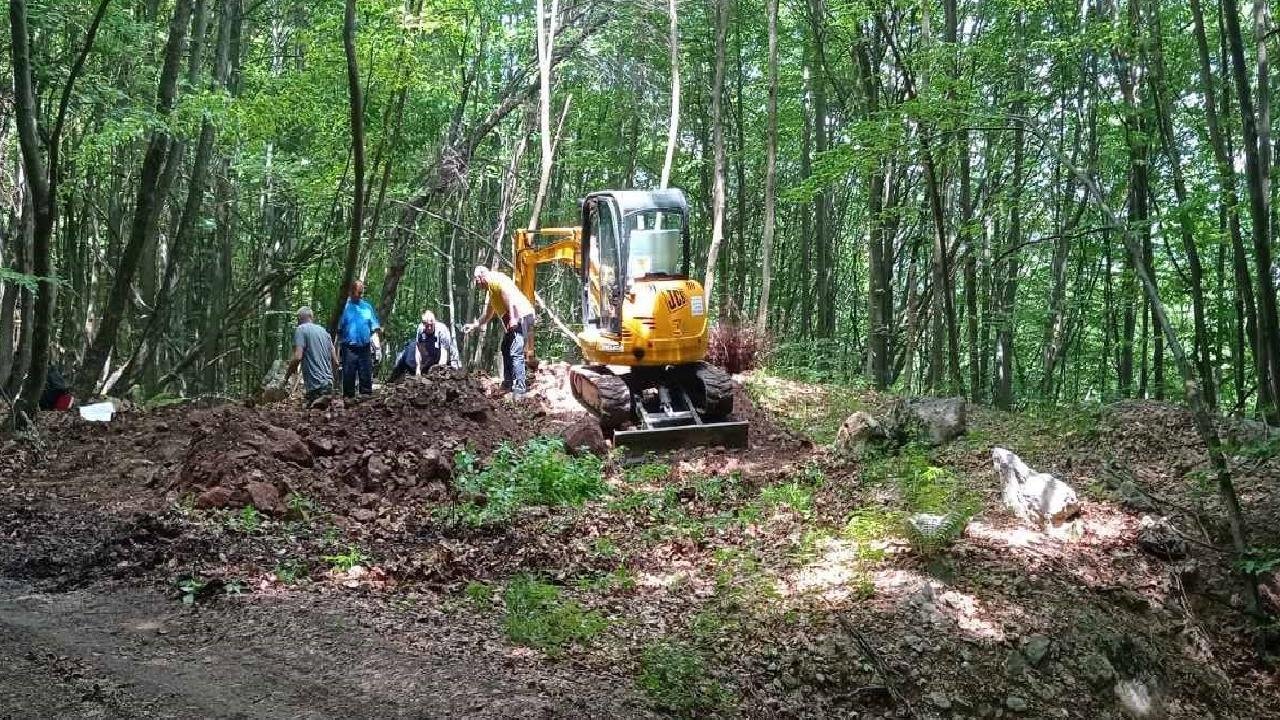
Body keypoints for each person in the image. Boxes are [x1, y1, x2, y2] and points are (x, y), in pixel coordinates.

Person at [462, 265, 536, 399]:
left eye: (476, 280)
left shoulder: (495, 280)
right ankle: (507, 384)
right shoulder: (492, 290)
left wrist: (513, 318)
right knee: (506, 347)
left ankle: (520, 389)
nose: (477, 284)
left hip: (522, 316)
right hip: (516, 318)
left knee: (515, 350)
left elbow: (511, 298)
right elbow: (488, 314)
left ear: (481, 276)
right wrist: (474, 325)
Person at [283, 306, 340, 403]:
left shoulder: (301, 330)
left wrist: (286, 378)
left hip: (315, 387)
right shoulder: (324, 332)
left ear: (299, 319)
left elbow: (297, 357)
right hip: (328, 386)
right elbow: (335, 362)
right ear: (311, 317)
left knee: (311, 413)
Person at [336, 280, 383, 397]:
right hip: (349, 347)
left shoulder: (367, 307)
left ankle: (366, 400)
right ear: (351, 292)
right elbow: (338, 328)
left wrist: (379, 331)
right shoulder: (344, 307)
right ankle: (348, 400)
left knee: (366, 374)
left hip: (365, 346)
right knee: (348, 375)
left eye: (362, 293)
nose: (360, 295)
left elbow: (374, 325)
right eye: (358, 293)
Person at [388, 310, 460, 382]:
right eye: (426, 325)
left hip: (441, 357)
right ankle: (390, 381)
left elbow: (444, 353)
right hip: (422, 356)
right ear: (423, 324)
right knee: (402, 361)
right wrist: (418, 368)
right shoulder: (420, 329)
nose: (429, 328)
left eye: (431, 325)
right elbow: (419, 349)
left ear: (434, 322)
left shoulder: (442, 330)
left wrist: (440, 370)